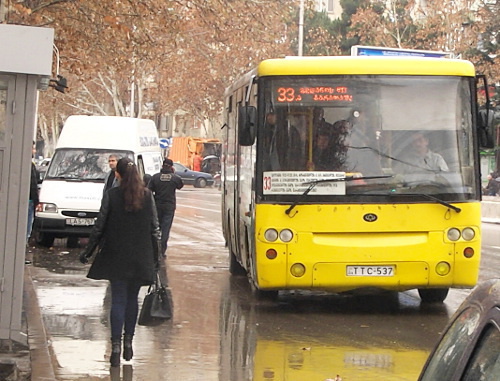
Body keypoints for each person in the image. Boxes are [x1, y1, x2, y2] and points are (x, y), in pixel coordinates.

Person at [79, 157, 161, 367]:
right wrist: (157, 257)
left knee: (118, 299)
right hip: (140, 256)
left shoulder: (112, 195)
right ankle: (128, 343)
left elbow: (100, 225)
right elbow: (155, 229)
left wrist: (88, 251)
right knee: (133, 299)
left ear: (118, 174)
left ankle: (115, 346)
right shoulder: (147, 196)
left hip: (116, 254)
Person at [148, 158, 184, 257]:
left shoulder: (155, 177)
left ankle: (155, 248)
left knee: (156, 227)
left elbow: (149, 189)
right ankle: (162, 250)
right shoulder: (175, 178)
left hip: (157, 205)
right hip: (169, 206)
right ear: (171, 167)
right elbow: (180, 185)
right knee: (165, 228)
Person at [27, 142, 39, 243]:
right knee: (26, 230)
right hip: (29, 200)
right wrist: (36, 201)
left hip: (29, 200)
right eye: (33, 148)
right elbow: (33, 185)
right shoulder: (29, 165)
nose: (34, 151)